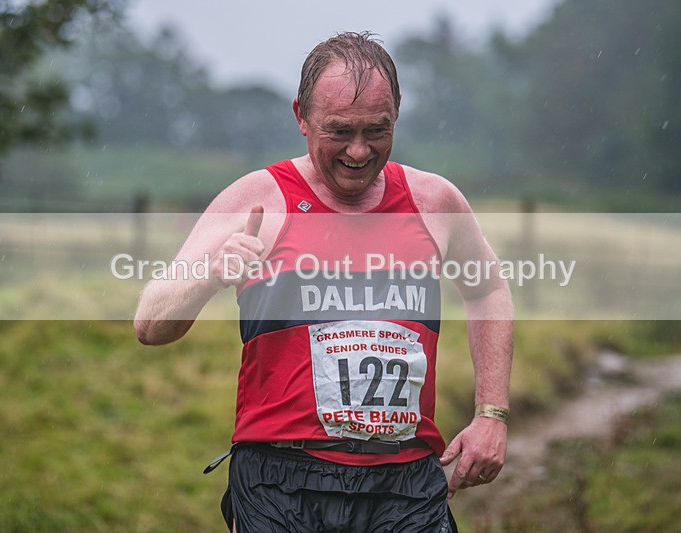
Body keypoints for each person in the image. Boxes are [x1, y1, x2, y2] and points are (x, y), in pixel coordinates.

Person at [134, 31, 513, 532]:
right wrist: (210, 274)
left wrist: (491, 413)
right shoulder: (258, 200)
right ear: (301, 116)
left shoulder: (434, 202)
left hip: (405, 481)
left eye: (377, 130)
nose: (358, 152)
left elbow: (487, 289)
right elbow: (150, 323)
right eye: (338, 131)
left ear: (396, 113)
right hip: (280, 483)